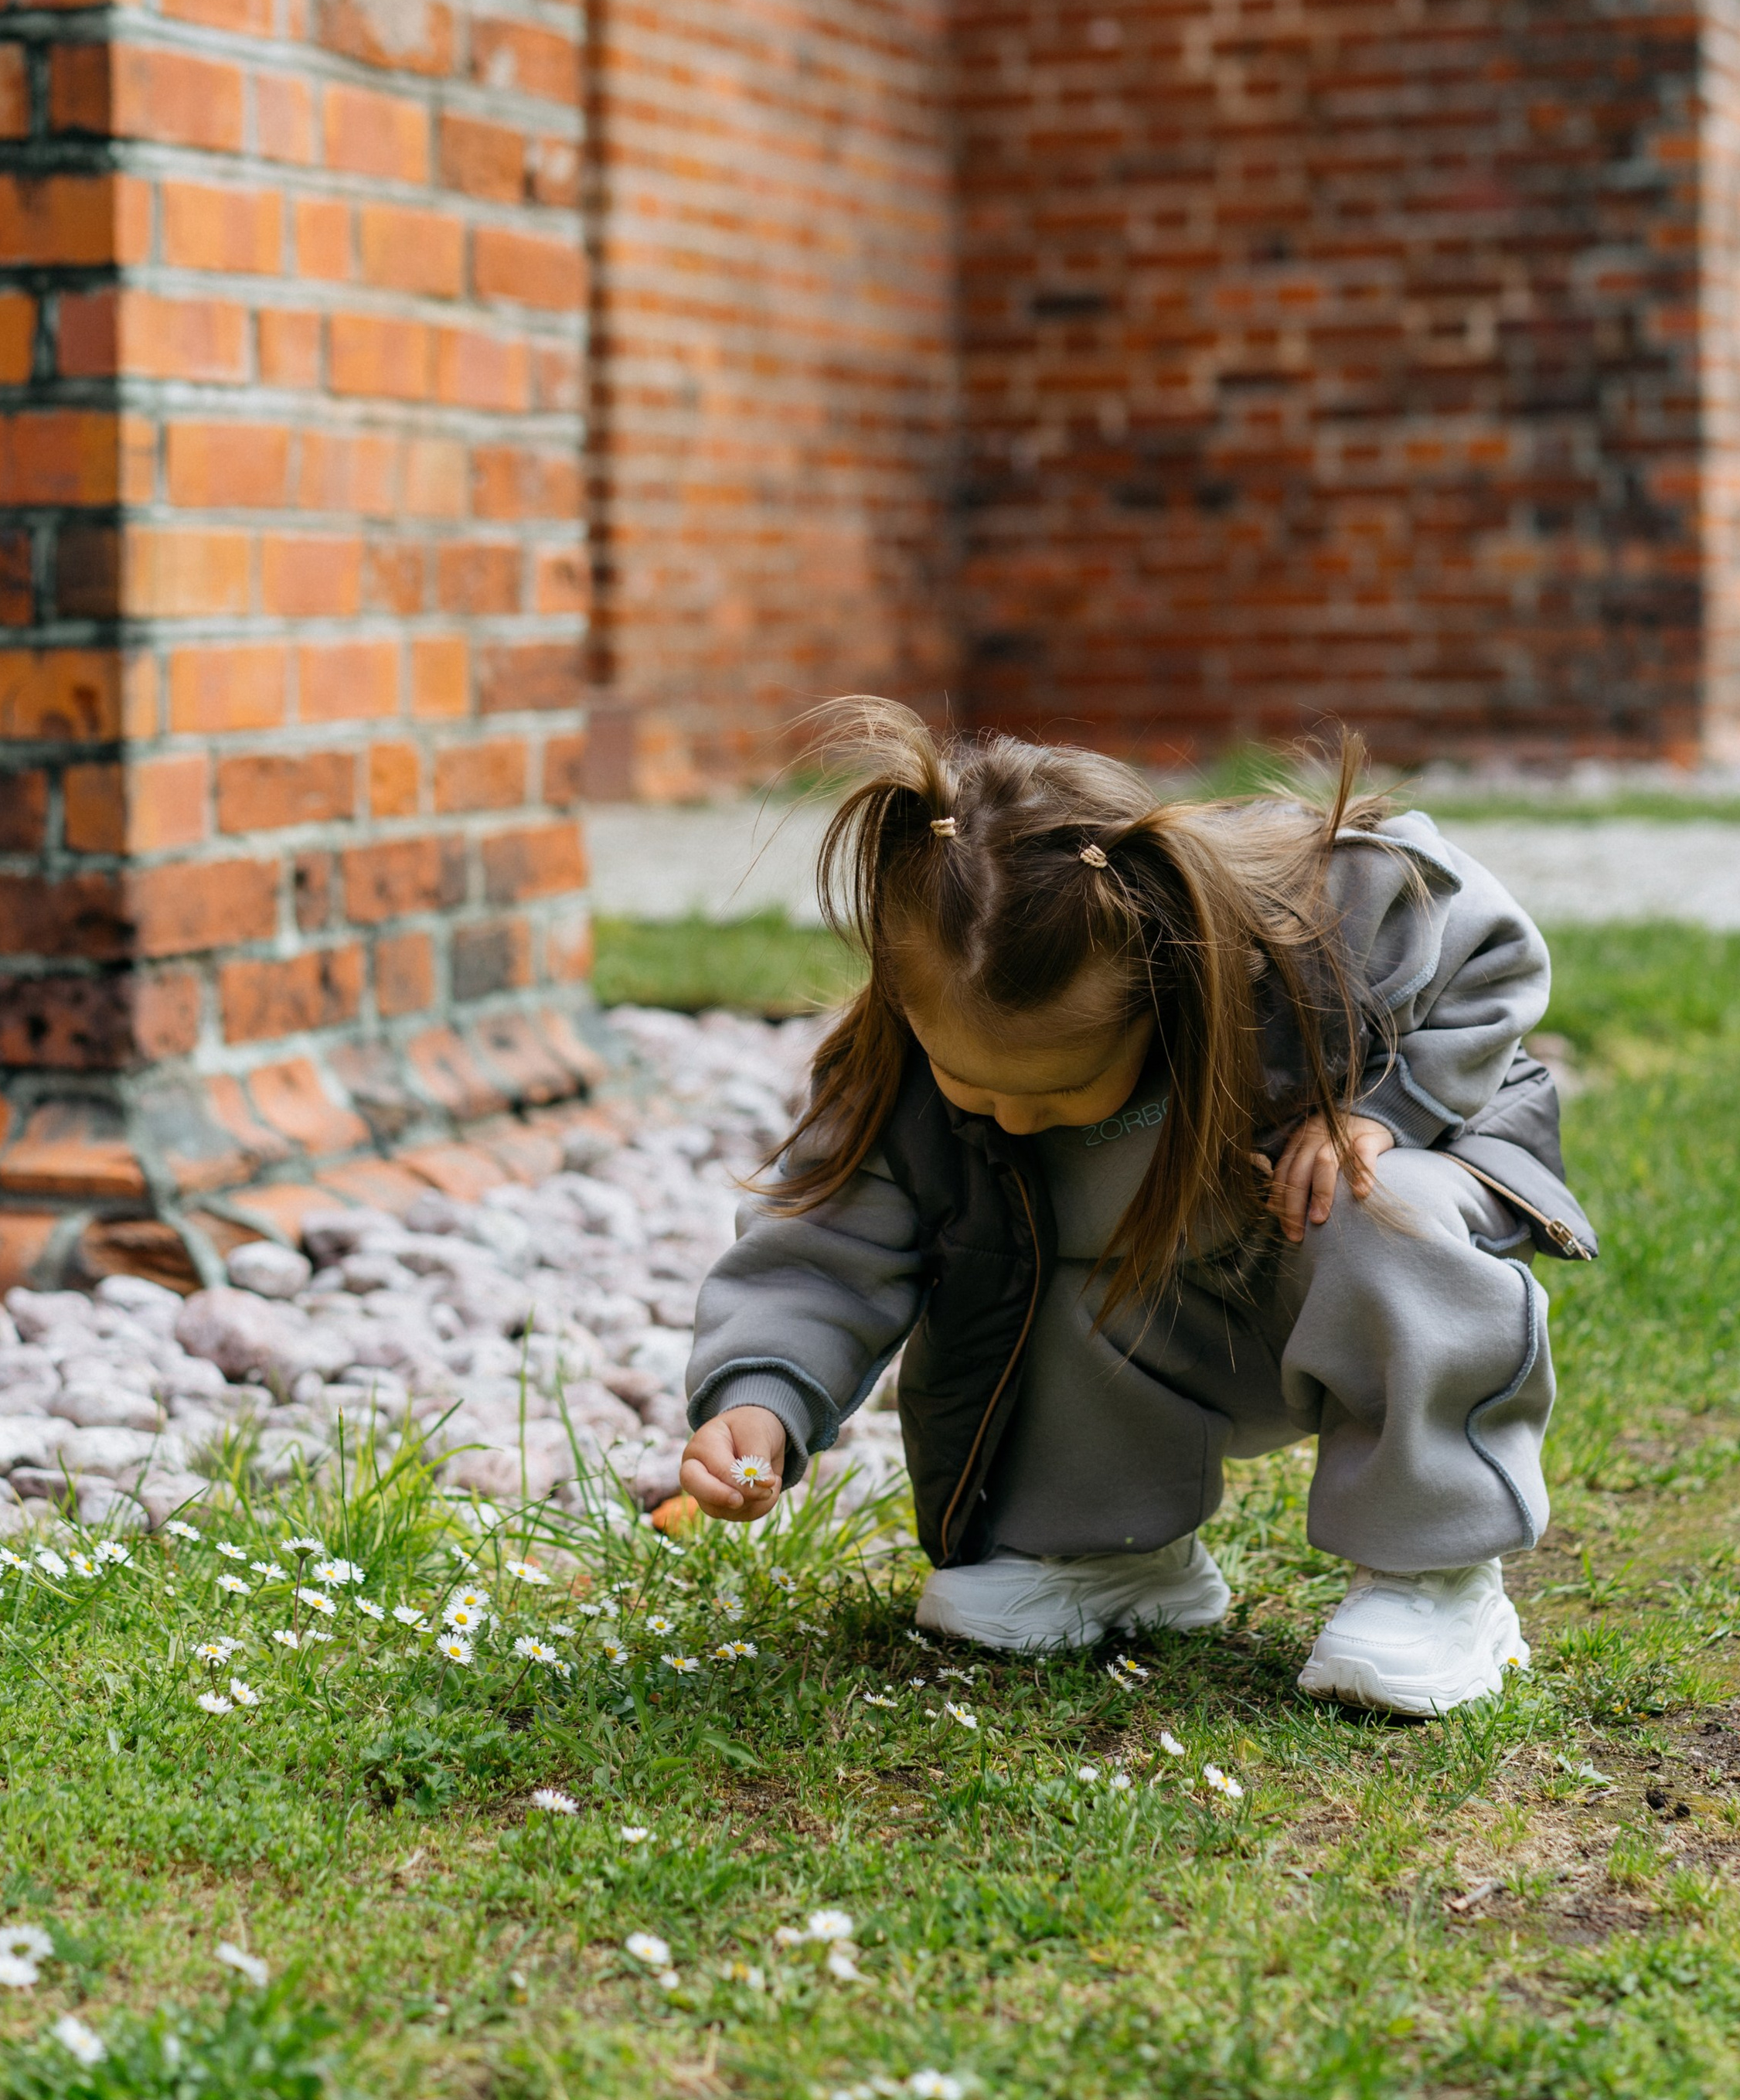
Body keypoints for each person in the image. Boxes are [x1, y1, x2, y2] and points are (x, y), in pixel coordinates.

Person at [680, 701, 1595, 1716]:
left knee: (1379, 1209)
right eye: (971, 1083)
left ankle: (1436, 1577)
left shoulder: (1301, 934)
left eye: (1059, 1089)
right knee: (1023, 1257)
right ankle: (1107, 1548)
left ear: (1166, 988)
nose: (1013, 1119)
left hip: (1332, 1232)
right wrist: (759, 1398)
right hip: (1165, 1302)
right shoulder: (906, 1077)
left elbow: (1484, 950)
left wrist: (1386, 1112)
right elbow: (823, 1244)